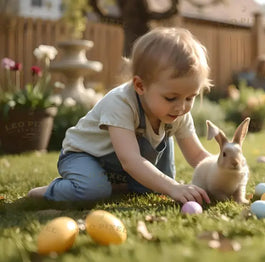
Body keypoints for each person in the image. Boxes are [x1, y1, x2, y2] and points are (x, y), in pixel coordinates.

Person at [27, 27, 212, 205]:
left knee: (154, 187)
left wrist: (223, 170)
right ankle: (46, 191)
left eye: (190, 97)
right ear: (140, 86)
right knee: (92, 191)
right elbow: (130, 160)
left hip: (123, 166)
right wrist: (173, 187)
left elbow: (197, 155)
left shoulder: (176, 111)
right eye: (171, 98)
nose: (181, 107)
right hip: (83, 155)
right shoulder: (120, 103)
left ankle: (115, 186)